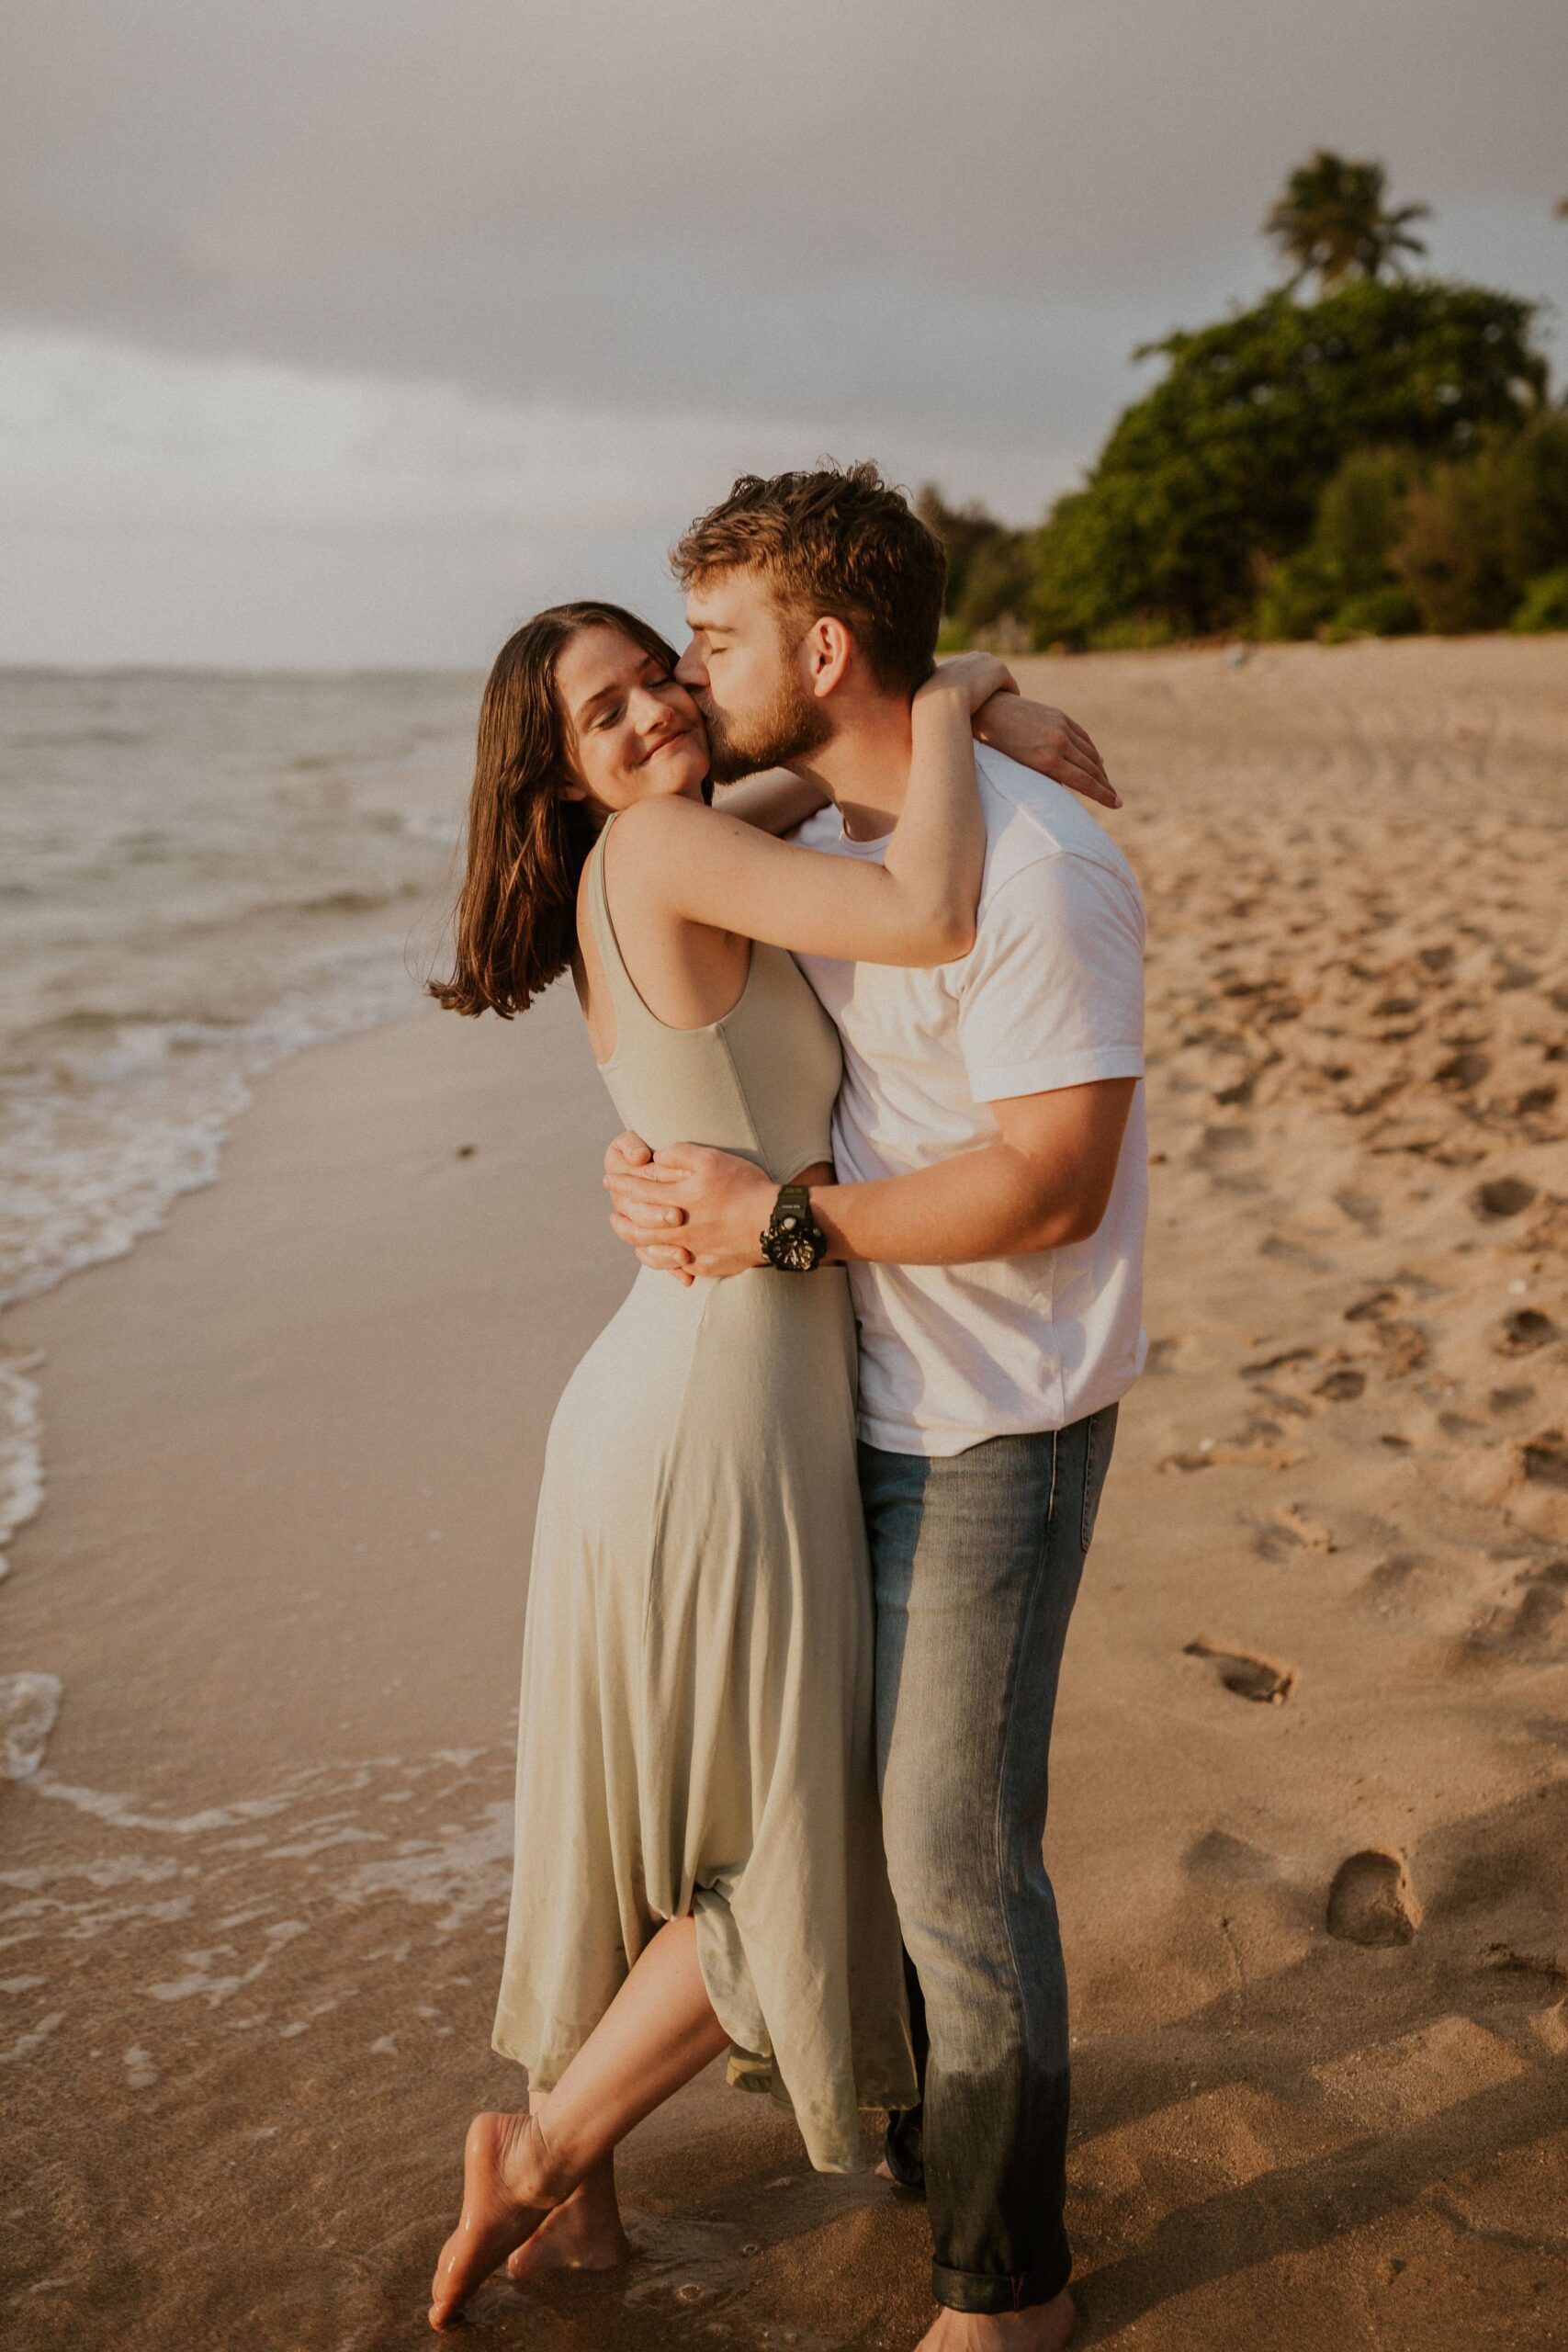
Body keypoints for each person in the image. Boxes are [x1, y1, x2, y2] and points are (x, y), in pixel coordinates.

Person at [423, 572, 1116, 2330]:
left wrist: (973, 678)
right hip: (724, 1408)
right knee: (798, 1826)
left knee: (651, 1819)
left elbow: (822, 770)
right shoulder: (666, 850)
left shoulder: (675, 840)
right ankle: (550, 2149)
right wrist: (953, 708)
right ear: (554, 777)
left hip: (685, 1384)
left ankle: (576, 2203)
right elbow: (928, 903)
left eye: (662, 674)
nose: (659, 710)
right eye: (605, 713)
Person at [604, 463, 1147, 2352]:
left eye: (714, 638)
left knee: (952, 1849)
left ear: (823, 648)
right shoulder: (834, 835)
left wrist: (777, 1222)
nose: (689, 676)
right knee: (865, 1826)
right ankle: (932, 2148)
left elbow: (1054, 1184)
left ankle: (1010, 2289)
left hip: (1000, 1413)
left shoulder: (1038, 864)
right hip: (849, 1394)